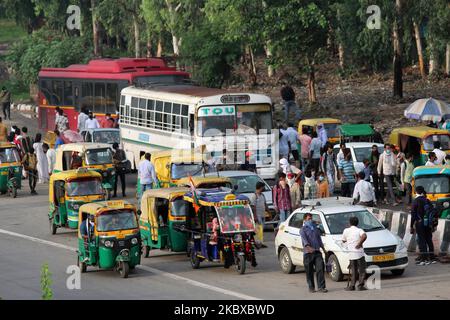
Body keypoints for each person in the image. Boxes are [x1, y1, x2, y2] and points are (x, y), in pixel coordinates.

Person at [300, 213, 328, 293]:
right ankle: (311, 287)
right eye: (309, 219)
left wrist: (323, 249)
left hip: (317, 252)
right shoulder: (303, 230)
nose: (310, 220)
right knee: (309, 271)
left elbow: (319, 239)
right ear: (305, 220)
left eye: (311, 218)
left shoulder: (315, 228)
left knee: (320, 269)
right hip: (308, 253)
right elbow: (304, 240)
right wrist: (308, 247)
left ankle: (321, 287)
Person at [411, 186, 437, 265]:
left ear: (416, 192)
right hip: (428, 224)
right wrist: (433, 224)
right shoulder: (427, 200)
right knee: (429, 239)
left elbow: (413, 215)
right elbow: (434, 213)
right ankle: (432, 258)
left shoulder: (416, 201)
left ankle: (424, 259)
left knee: (421, 240)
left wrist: (411, 226)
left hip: (420, 223)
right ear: (423, 192)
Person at [342, 216, 368, 291]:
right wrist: (359, 244)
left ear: (349, 223)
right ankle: (360, 285)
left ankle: (352, 286)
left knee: (354, 270)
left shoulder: (346, 230)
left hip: (352, 254)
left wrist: (349, 241)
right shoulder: (359, 230)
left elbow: (343, 240)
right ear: (357, 223)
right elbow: (364, 236)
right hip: (359, 253)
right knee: (362, 270)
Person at [249, 182, 268, 249]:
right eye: (263, 187)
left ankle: (260, 243)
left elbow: (265, 204)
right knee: (258, 229)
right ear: (260, 187)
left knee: (261, 229)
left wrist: (268, 212)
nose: (264, 188)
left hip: (263, 215)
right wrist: (255, 216)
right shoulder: (254, 196)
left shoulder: (262, 195)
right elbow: (253, 207)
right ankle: (258, 243)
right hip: (258, 215)